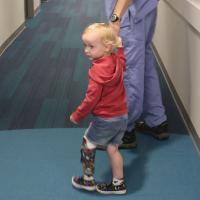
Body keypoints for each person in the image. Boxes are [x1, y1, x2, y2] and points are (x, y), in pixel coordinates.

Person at [70, 23, 128, 195]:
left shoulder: (97, 72)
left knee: (87, 144)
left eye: (91, 46)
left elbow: (91, 99)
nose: (86, 50)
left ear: (107, 47)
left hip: (105, 118)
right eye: (85, 45)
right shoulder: (116, 60)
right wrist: (120, 47)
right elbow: (123, 61)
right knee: (112, 148)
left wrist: (77, 115)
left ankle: (88, 180)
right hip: (122, 116)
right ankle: (118, 183)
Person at [104, 0, 169, 149]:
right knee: (144, 63)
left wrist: (116, 17)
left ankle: (125, 130)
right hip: (144, 9)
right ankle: (156, 120)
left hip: (128, 12)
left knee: (128, 69)